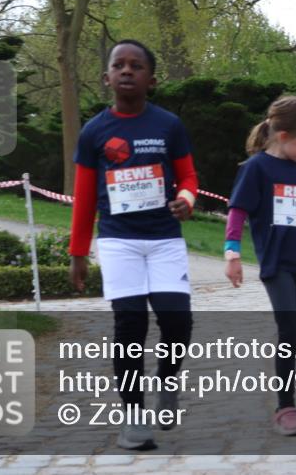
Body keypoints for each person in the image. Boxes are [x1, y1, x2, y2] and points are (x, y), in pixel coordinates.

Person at [68, 39, 198, 451]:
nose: (127, 71)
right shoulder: (94, 132)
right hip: (119, 242)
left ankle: (167, 382)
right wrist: (78, 253)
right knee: (130, 327)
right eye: (118, 65)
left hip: (164, 240)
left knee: (177, 321)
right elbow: (85, 198)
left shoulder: (168, 125)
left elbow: (189, 178)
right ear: (106, 77)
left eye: (136, 66)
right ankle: (134, 418)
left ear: (151, 79)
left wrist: (187, 200)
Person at [223, 95, 296, 436]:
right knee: (289, 331)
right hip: (277, 264)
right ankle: (284, 406)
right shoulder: (257, 168)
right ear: (284, 136)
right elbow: (238, 211)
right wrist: (232, 253)